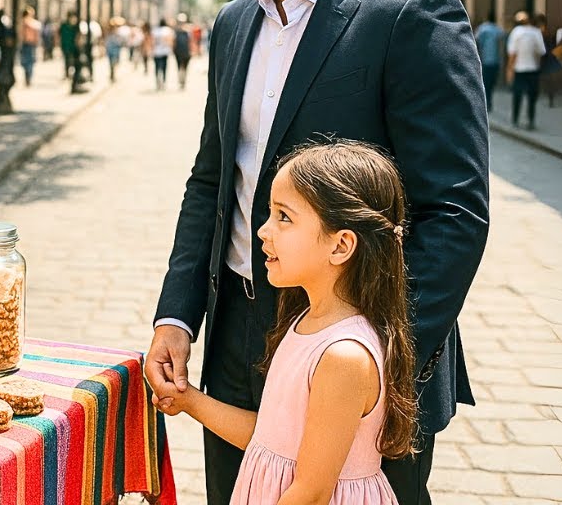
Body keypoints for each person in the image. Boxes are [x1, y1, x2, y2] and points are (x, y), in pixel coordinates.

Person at [146, 0, 490, 504]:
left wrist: (370, 364)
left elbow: (454, 214)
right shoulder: (234, 23)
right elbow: (213, 182)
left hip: (350, 360)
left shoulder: (412, 15)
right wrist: (177, 315)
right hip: (239, 335)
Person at [156, 141, 417, 505]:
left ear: (340, 246)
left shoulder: (344, 357)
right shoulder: (305, 322)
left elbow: (310, 493)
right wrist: (189, 401)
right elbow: (271, 438)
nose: (263, 231)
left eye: (284, 217)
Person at [506, 10, 545, 130]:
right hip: (532, 69)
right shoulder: (536, 32)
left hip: (519, 69)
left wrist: (509, 70)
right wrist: (537, 66)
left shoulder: (516, 32)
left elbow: (512, 54)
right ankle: (531, 120)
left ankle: (515, 119)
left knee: (517, 95)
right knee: (532, 96)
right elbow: (540, 52)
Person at [474, 12, 503, 112]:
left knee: (484, 83)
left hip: (483, 60)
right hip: (494, 60)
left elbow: (476, 41)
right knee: (491, 83)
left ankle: (484, 103)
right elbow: (501, 43)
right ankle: (489, 103)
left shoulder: (482, 28)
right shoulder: (497, 29)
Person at [20, 6, 42, 86]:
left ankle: (28, 78)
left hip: (30, 44)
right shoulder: (29, 23)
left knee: (28, 62)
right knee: (27, 62)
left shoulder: (30, 23)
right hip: (27, 44)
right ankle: (28, 78)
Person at [151, 17, 174, 90]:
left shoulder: (155, 31)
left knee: (157, 66)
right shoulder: (168, 30)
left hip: (156, 51)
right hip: (165, 51)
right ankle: (163, 80)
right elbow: (170, 41)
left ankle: (157, 80)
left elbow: (152, 42)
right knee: (164, 67)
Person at [174, 15, 194, 89]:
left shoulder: (188, 30)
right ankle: (181, 79)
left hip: (186, 51)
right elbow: (174, 41)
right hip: (178, 51)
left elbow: (191, 41)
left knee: (185, 66)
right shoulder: (176, 30)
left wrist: (192, 50)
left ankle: (183, 80)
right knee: (179, 66)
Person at [59, 11, 80, 80]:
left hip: (72, 46)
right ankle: (67, 73)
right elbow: (59, 34)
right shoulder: (64, 25)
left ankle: (71, 73)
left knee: (72, 60)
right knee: (67, 60)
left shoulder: (75, 26)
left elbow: (77, 36)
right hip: (65, 45)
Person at [106, 16, 125, 82]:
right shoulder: (109, 33)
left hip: (115, 50)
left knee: (115, 63)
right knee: (112, 63)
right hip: (111, 50)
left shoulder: (118, 33)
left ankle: (112, 74)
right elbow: (108, 42)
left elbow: (120, 41)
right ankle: (112, 74)